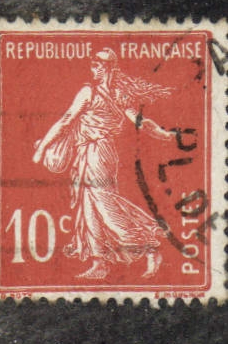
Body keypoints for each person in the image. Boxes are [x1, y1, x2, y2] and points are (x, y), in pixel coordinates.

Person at [32, 49, 177, 280]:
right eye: (93, 65)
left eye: (98, 66)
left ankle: (148, 247)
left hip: (98, 153)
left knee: (103, 204)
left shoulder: (101, 93)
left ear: (109, 68)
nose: (94, 69)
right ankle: (99, 262)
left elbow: (68, 121)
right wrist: (164, 134)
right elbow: (68, 120)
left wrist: (42, 148)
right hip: (88, 153)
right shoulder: (107, 93)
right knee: (88, 207)